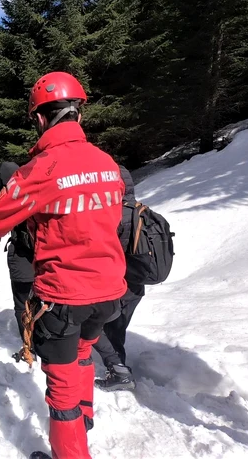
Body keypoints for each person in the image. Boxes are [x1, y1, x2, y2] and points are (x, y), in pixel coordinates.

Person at [0, 71, 127, 459]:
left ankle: (71, 450)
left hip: (63, 296)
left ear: (41, 118)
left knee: (61, 387)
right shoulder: (107, 162)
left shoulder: (41, 169)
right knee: (82, 356)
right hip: (109, 291)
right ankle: (84, 419)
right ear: (78, 112)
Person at [93, 165, 143, 391]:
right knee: (117, 327)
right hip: (137, 281)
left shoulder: (114, 214)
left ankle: (119, 373)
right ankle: (119, 368)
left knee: (105, 325)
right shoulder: (140, 210)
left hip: (118, 283)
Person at [0, 162, 35, 360]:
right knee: (41, 303)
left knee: (22, 305)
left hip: (22, 260)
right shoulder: (36, 190)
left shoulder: (12, 197)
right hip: (44, 260)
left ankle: (29, 348)